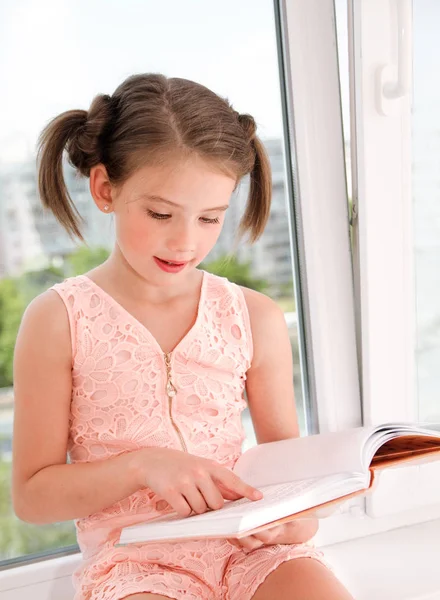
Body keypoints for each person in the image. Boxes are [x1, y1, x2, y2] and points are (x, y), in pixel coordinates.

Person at [11, 73, 354, 600]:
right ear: (106, 188)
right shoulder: (58, 318)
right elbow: (33, 498)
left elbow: (291, 477)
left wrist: (296, 523)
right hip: (134, 565)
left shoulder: (253, 316)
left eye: (210, 218)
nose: (185, 241)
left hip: (251, 551)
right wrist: (142, 466)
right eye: (160, 213)